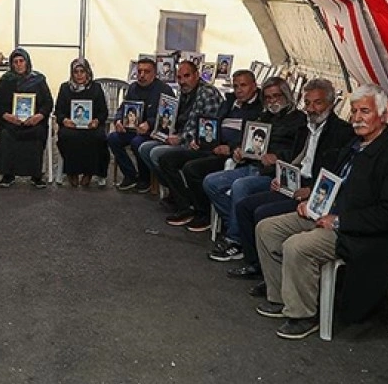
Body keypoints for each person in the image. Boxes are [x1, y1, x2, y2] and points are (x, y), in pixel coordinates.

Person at [254, 84, 388, 340]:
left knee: (297, 246)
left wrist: (340, 221)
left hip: (358, 233)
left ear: (383, 115)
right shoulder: (355, 144)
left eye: (365, 111)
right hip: (326, 214)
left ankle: (303, 314)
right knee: (267, 229)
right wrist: (313, 201)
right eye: (354, 111)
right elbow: (332, 182)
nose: (357, 118)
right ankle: (280, 297)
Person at [224, 79, 353, 271]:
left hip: (315, 191)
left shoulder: (341, 132)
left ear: (330, 103)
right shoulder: (305, 127)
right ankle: (255, 264)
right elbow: (295, 159)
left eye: (317, 103)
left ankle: (267, 269)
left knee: (261, 212)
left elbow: (337, 174)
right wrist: (282, 177)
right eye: (307, 103)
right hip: (295, 182)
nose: (311, 108)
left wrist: (310, 190)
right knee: (244, 206)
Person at [199, 76, 305, 247]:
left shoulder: (299, 120)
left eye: (276, 96)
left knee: (241, 186)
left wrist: (277, 157)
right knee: (211, 182)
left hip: (273, 173)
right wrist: (238, 149)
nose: (272, 101)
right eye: (268, 97)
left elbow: (299, 152)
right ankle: (241, 227)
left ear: (286, 95)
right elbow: (245, 139)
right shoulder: (263, 116)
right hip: (252, 165)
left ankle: (235, 239)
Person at [146, 61, 222, 218]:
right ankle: (177, 192)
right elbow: (176, 120)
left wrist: (180, 139)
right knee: (145, 148)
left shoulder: (207, 93)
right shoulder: (184, 93)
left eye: (187, 76)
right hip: (179, 136)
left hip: (195, 144)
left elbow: (208, 127)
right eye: (179, 78)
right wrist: (162, 131)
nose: (182, 81)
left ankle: (183, 199)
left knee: (157, 154)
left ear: (197, 75)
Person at [108, 58, 174, 192]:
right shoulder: (133, 88)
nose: (142, 75)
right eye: (139, 71)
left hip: (152, 132)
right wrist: (118, 120)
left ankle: (145, 178)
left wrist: (150, 123)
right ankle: (130, 175)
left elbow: (169, 116)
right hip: (132, 129)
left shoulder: (164, 90)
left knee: (137, 142)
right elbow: (122, 108)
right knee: (112, 138)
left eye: (146, 72)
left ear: (155, 74)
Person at [0, 48, 55, 187]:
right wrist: (6, 116)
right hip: (11, 122)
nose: (19, 64)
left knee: (37, 133)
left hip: (34, 122)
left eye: (21, 61)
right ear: (11, 64)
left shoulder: (38, 80)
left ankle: (36, 175)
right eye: (15, 62)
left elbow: (48, 102)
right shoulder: (5, 80)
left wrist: (39, 116)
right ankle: (8, 175)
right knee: (6, 134)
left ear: (27, 62)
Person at [54, 58, 109, 188]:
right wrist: (64, 120)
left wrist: (97, 121)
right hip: (71, 126)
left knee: (98, 137)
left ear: (87, 72)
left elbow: (103, 112)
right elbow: (58, 111)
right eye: (76, 72)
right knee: (67, 136)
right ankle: (71, 172)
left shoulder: (96, 88)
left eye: (82, 71)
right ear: (71, 73)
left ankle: (89, 172)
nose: (79, 75)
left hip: (91, 126)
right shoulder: (65, 88)